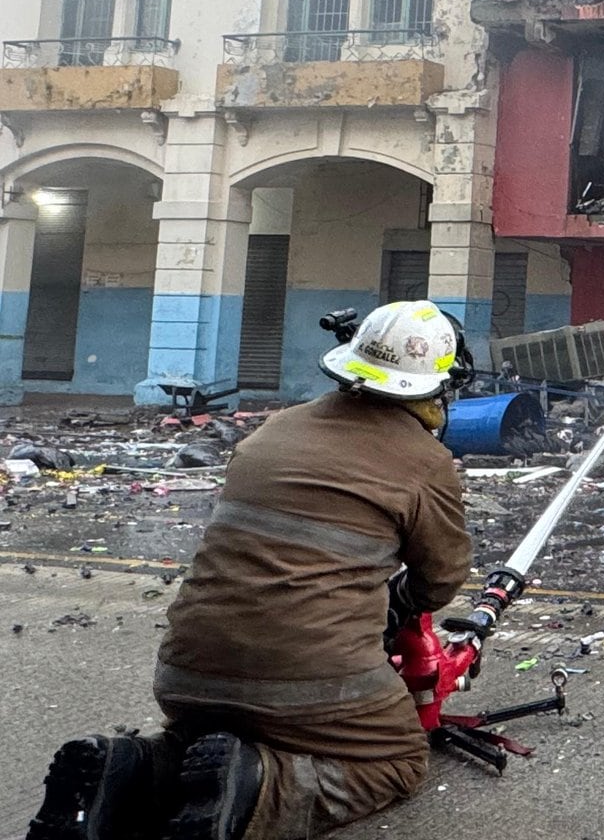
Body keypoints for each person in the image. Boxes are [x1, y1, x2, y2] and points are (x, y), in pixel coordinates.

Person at [28, 301, 475, 840]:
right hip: (304, 682)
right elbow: (441, 580)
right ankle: (258, 787)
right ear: (433, 387)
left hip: (185, 672)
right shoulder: (424, 461)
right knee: (397, 760)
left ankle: (129, 769)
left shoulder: (274, 429)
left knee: (204, 744)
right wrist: (396, 598)